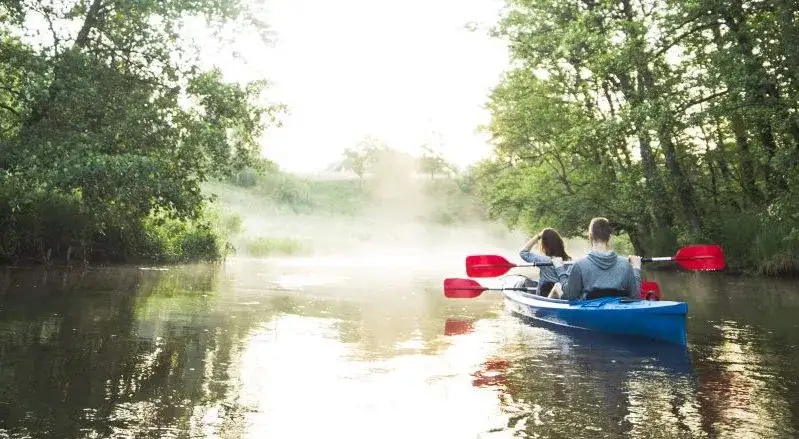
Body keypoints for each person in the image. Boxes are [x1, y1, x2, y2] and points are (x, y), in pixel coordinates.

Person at [549, 217, 641, 300]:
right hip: (616, 315)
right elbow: (635, 296)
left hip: (588, 316)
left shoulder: (580, 265)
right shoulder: (625, 264)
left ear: (590, 236)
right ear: (609, 237)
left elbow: (569, 296)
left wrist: (559, 269)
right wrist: (636, 268)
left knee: (557, 286)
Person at [519, 228, 572, 296]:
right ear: (560, 243)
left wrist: (538, 236)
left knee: (528, 282)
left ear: (545, 246)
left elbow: (523, 253)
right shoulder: (569, 260)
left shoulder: (544, 260)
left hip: (544, 295)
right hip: (562, 293)